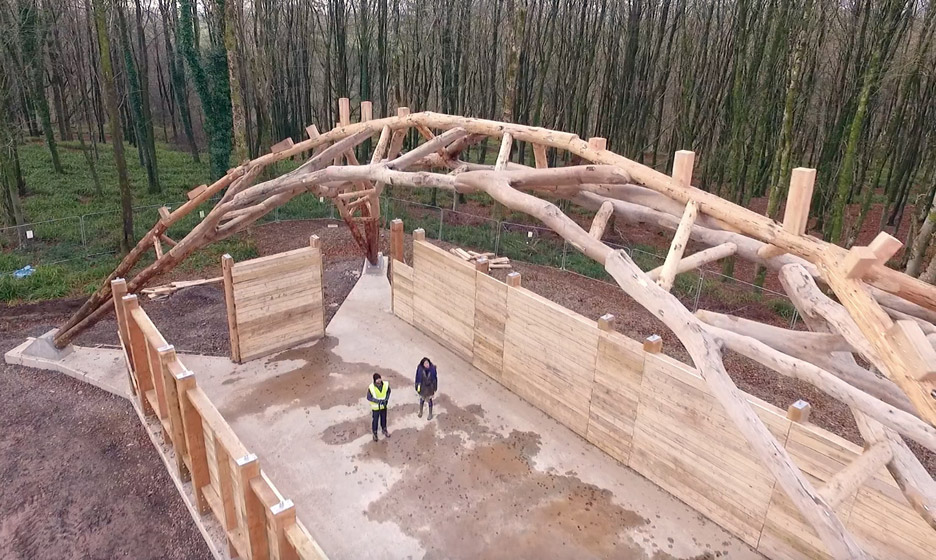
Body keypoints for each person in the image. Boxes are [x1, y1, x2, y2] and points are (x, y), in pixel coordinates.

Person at [367, 373, 391, 441]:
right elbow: (369, 397)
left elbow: (388, 392)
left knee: (384, 419)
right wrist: (377, 401)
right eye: (377, 379)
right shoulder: (371, 387)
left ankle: (384, 429)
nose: (379, 380)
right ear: (374, 380)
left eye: (379, 378)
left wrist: (386, 399)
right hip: (376, 407)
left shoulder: (385, 384)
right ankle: (375, 433)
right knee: (375, 421)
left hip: (383, 405)